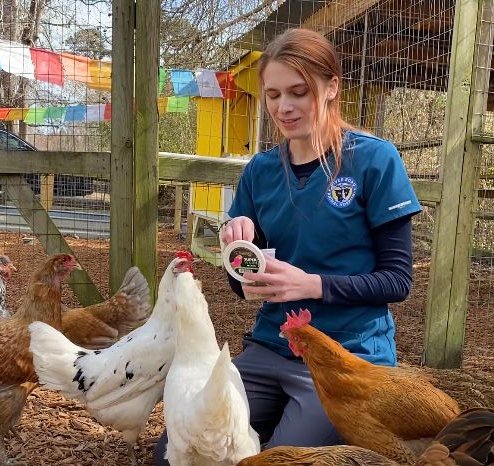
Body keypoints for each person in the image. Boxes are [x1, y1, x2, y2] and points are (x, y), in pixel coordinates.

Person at [152, 28, 421, 463]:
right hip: (269, 347)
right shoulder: (261, 171)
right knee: (179, 450)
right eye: (273, 95)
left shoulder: (374, 159)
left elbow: (397, 280)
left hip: (346, 360)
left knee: (278, 461)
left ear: (332, 87)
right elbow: (243, 288)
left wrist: (311, 285)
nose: (284, 107)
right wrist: (243, 248)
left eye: (299, 92)